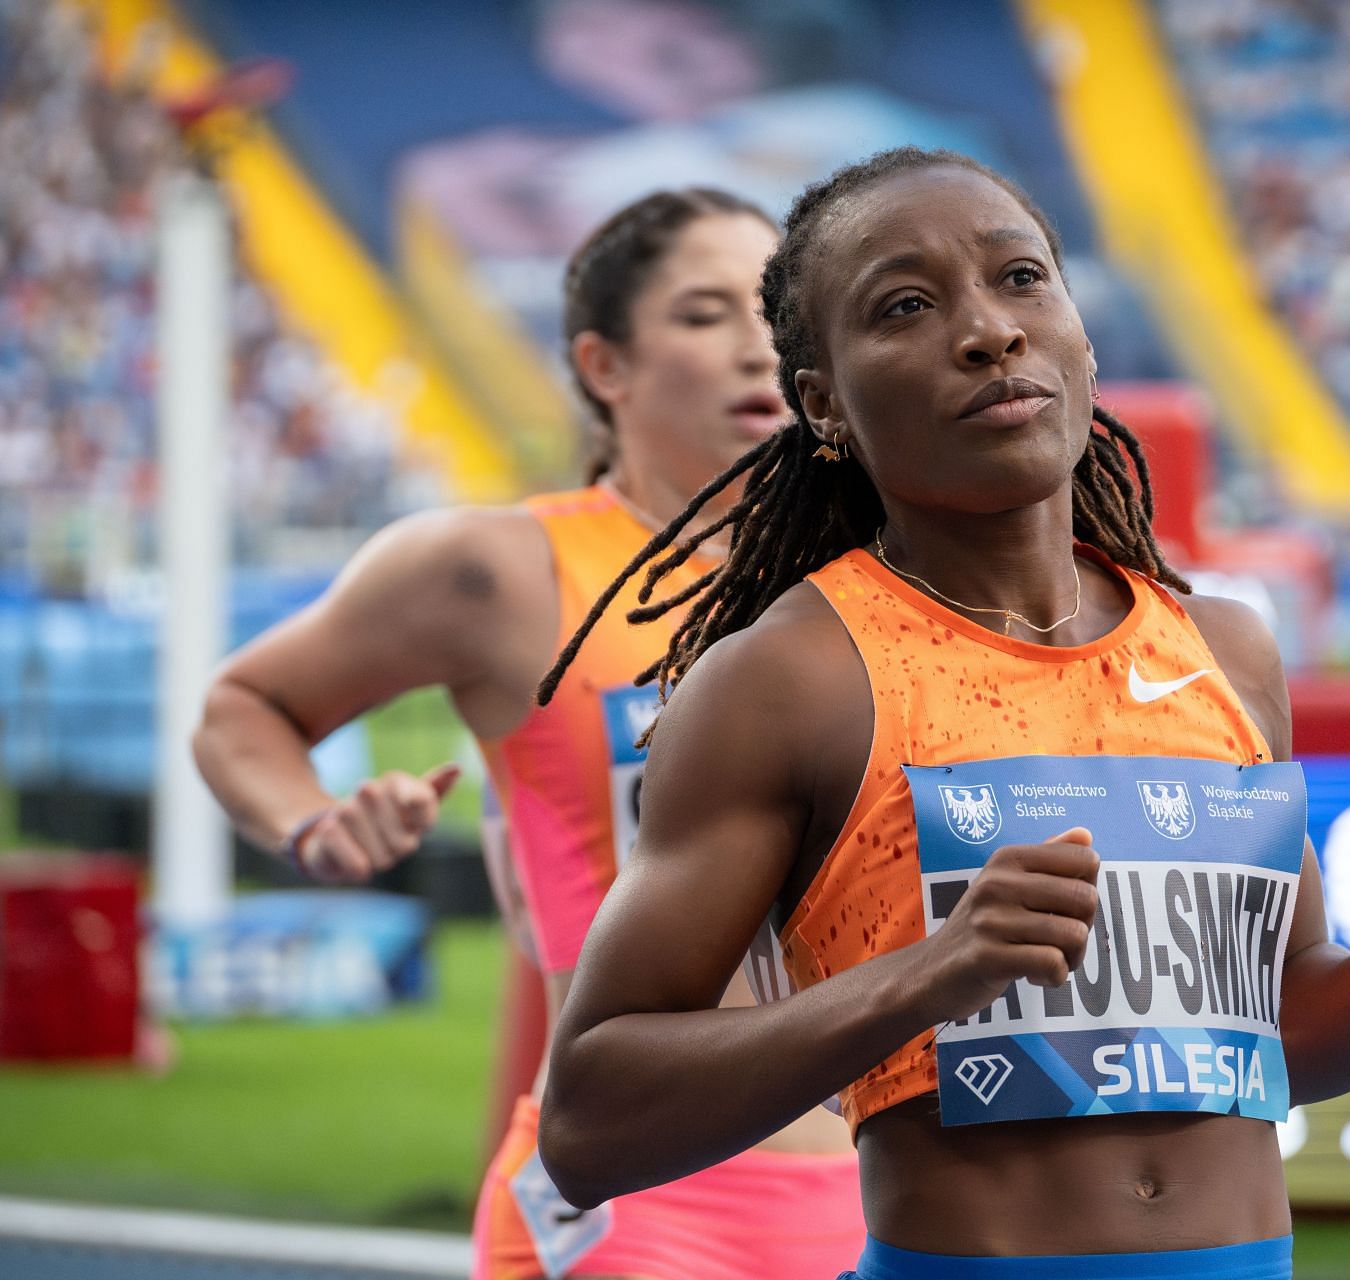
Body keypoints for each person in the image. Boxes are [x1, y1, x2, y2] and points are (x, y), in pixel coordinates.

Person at [536, 148, 1350, 1278]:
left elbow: (1287, 1039)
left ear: (1078, 329)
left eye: (1022, 278)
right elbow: (588, 1124)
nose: (988, 331)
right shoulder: (788, 678)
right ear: (822, 400)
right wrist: (927, 976)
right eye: (907, 306)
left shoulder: (1224, 647)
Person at [191, 188, 863, 1280]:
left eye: (774, 313)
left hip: (875, 1183)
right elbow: (245, 706)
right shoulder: (501, 571)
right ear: (606, 366)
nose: (755, 348)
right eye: (705, 314)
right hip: (629, 1196)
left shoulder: (874, 578)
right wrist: (313, 823)